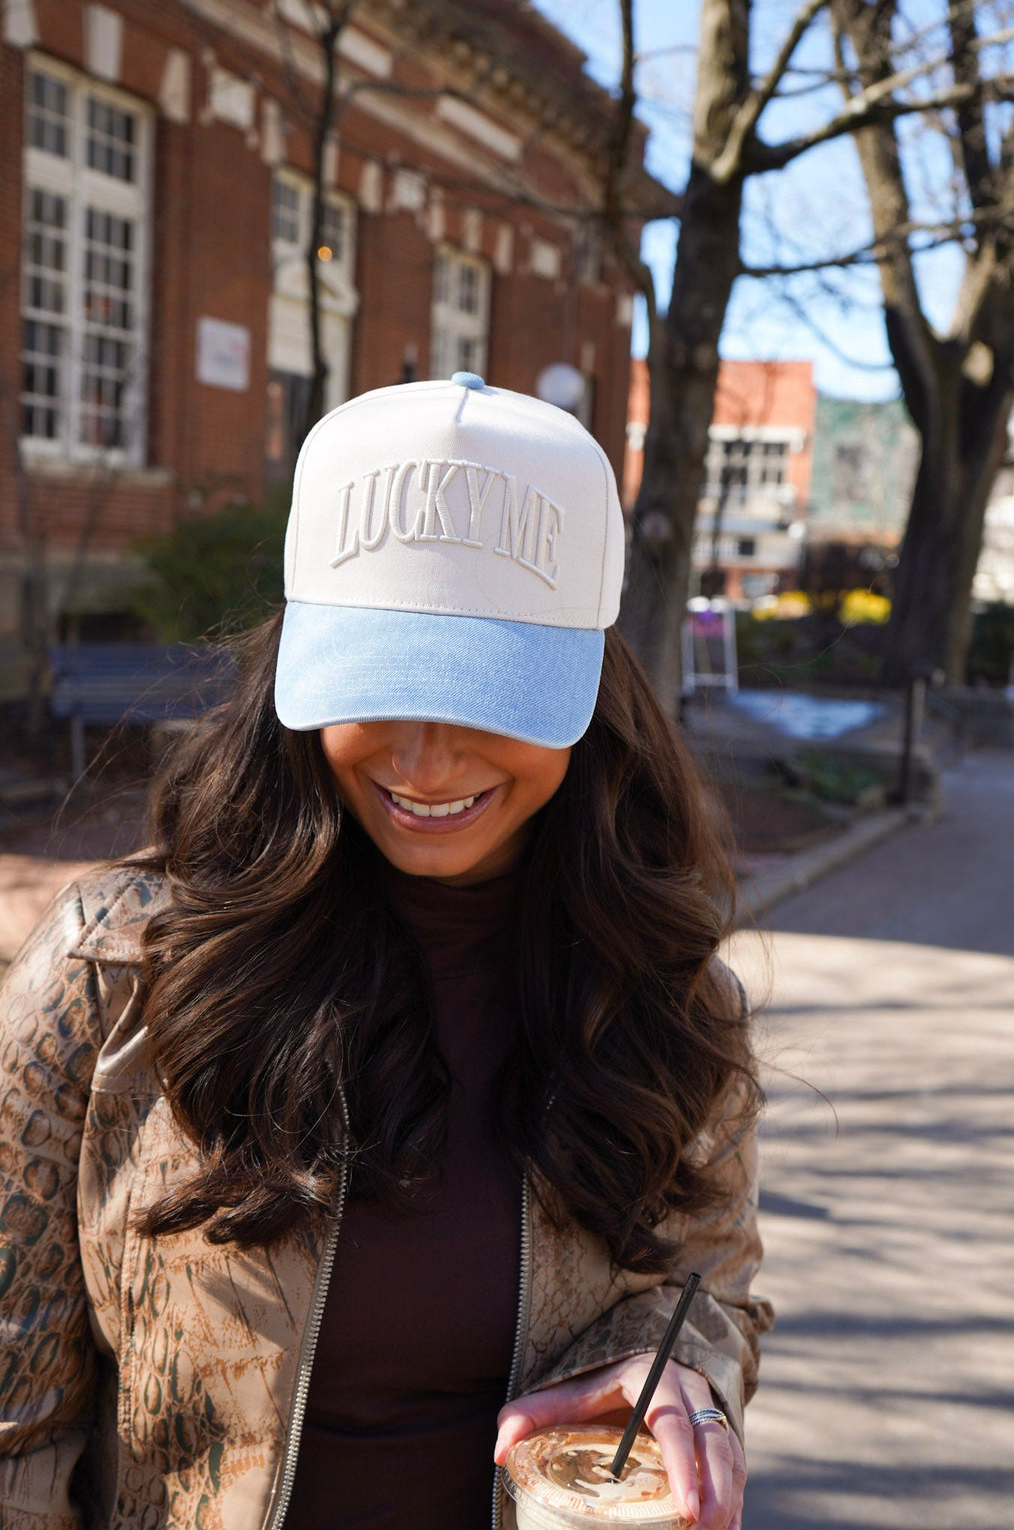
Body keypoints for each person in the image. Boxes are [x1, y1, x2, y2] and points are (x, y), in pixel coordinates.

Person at [0, 373, 772, 1530]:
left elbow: (707, 1288)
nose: (423, 759)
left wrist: (681, 1375)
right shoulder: (108, 975)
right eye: (377, 686)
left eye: (486, 692)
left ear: (591, 686)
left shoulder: (668, 1000)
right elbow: (14, 1421)